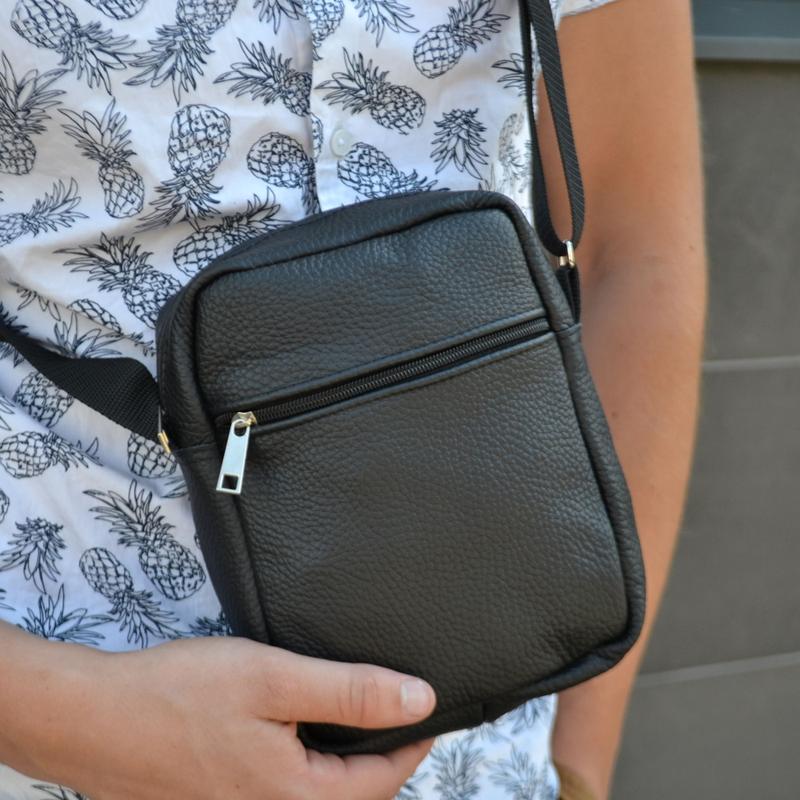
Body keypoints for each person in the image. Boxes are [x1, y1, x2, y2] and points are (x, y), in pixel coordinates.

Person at [0, 0, 707, 796]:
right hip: (64, 722)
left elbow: (633, 248)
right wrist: (61, 721)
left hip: (492, 761)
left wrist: (578, 763)